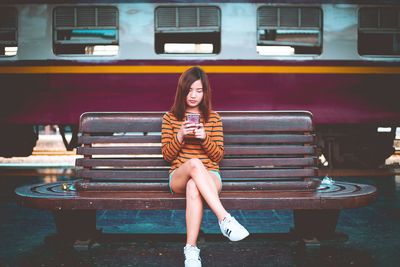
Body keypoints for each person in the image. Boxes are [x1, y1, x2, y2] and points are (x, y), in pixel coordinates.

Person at [161, 66, 249, 267]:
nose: (193, 95)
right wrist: (180, 136)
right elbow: (168, 156)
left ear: (205, 92)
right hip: (179, 175)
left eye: (198, 91)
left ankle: (191, 251)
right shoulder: (170, 118)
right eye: (189, 90)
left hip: (210, 176)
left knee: (195, 185)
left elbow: (218, 156)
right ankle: (225, 219)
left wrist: (205, 138)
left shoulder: (213, 118)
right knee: (193, 164)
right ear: (181, 91)